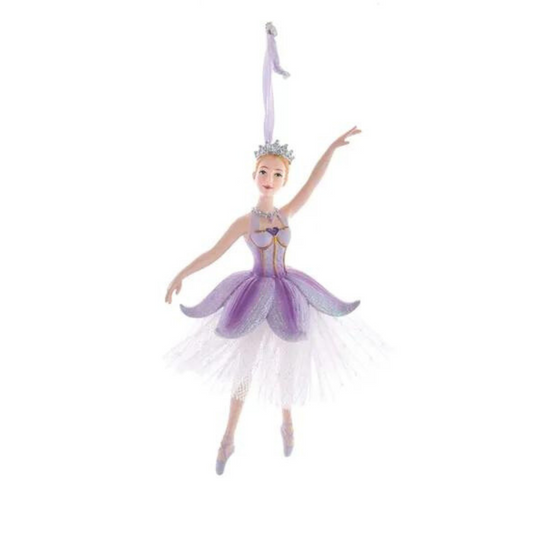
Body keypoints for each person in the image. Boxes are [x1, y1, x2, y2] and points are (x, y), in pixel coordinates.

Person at [163, 23, 387, 475]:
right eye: (264, 172)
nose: (270, 179)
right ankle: (228, 437)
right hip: (254, 290)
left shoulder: (285, 213)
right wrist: (182, 272)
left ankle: (287, 421)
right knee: (244, 367)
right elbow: (213, 252)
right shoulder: (245, 223)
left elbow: (314, 183)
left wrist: (331, 149)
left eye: (278, 174)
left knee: (289, 357)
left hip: (287, 289)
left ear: (284, 180)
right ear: (254, 175)